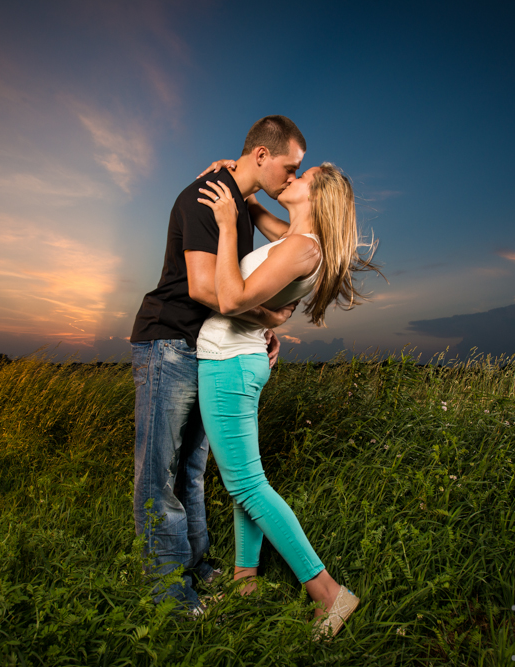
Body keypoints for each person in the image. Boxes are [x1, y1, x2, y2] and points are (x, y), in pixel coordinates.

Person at [194, 161, 379, 637]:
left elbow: (232, 299)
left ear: (317, 197)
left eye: (302, 176)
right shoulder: (295, 237)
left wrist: (225, 224)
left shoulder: (301, 248)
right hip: (240, 358)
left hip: (228, 361)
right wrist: (236, 178)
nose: (291, 179)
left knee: (247, 485)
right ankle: (244, 579)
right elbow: (259, 211)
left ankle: (329, 594)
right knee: (245, 481)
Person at [129, 115, 307, 610]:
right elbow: (207, 287)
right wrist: (268, 315)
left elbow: (240, 284)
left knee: (192, 468)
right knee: (157, 472)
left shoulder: (240, 207)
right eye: (290, 167)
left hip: (205, 346)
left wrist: (262, 327)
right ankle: (167, 590)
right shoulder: (208, 197)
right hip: (167, 341)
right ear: (262, 156)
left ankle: (197, 565)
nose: (292, 178)